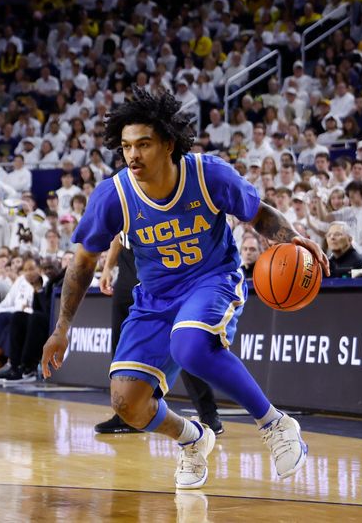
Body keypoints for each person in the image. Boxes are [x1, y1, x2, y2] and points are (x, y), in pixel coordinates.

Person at [41, 87, 329, 490]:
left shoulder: (207, 173)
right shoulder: (113, 196)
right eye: (125, 147)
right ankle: (193, 439)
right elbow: (83, 262)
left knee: (189, 345)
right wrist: (62, 327)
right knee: (127, 403)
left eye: (143, 144)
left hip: (212, 280)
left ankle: (276, 425)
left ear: (168, 143)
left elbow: (259, 214)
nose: (133, 155)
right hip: (155, 297)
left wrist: (293, 237)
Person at [94, 233, 224, 435]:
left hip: (159, 268)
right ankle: (126, 415)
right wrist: (108, 267)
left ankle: (208, 414)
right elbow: (117, 235)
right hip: (128, 268)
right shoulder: (118, 202)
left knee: (181, 343)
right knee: (121, 344)